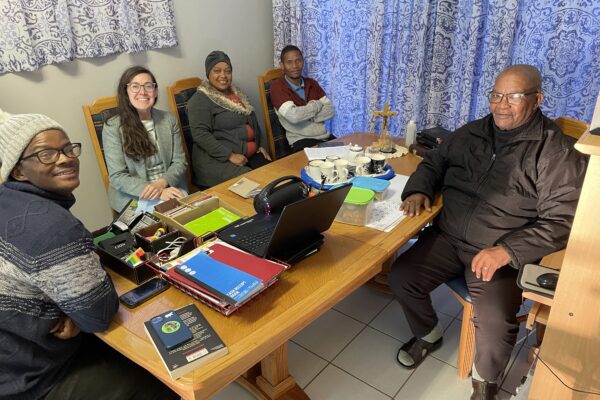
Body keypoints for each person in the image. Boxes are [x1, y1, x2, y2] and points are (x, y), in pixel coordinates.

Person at [387, 65, 587, 400]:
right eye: (496, 95)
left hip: (501, 251)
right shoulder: (473, 132)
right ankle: (429, 334)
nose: (501, 104)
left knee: (495, 325)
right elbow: (434, 161)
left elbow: (562, 220)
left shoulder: (554, 150)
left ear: (537, 99)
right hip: (449, 237)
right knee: (401, 276)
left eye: (513, 96)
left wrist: (507, 250)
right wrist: (418, 190)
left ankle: (485, 386)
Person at [0, 109, 178, 399]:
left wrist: (69, 310)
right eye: (46, 154)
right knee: (163, 375)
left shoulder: (8, 199)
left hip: (14, 350)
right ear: (18, 170)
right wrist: (75, 309)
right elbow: (98, 315)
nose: (66, 158)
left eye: (68, 148)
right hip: (33, 377)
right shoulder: (53, 228)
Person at [103, 66, 188, 212]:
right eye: (135, 86)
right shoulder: (113, 127)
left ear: (155, 91)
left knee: (189, 218)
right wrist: (158, 192)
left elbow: (180, 162)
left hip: (169, 187)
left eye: (148, 86)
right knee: (162, 226)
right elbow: (118, 176)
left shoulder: (168, 120)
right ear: (126, 92)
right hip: (134, 195)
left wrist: (163, 183)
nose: (142, 92)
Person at [187, 50, 271, 188]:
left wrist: (260, 145)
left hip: (249, 155)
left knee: (273, 179)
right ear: (208, 73)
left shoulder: (237, 93)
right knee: (254, 188)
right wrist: (230, 156)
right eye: (217, 71)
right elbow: (200, 135)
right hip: (217, 162)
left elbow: (253, 121)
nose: (223, 75)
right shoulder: (199, 100)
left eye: (228, 71)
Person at [270, 45, 335, 153]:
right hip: (300, 141)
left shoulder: (312, 83)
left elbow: (330, 111)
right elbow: (294, 116)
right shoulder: (278, 87)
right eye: (289, 62)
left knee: (349, 159)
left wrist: (305, 116)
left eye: (298, 60)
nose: (295, 66)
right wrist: (317, 105)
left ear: (303, 62)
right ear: (282, 65)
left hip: (325, 137)